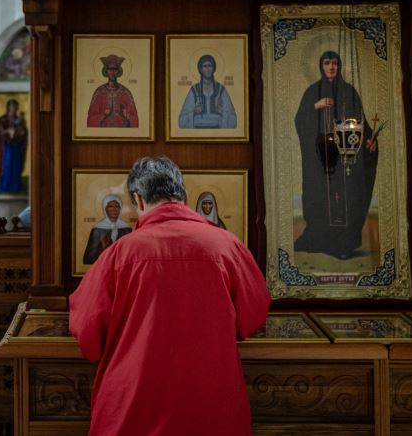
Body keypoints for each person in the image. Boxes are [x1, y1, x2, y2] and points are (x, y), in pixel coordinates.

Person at [69, 156, 270, 436]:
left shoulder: (118, 254)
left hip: (134, 405)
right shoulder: (228, 245)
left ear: (138, 200)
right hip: (211, 404)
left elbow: (89, 335)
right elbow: (253, 316)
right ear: (183, 196)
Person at [293, 50, 379, 259]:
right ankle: (320, 240)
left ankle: (344, 244)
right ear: (320, 66)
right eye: (326, 63)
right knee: (321, 196)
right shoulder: (312, 92)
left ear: (339, 66)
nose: (331, 67)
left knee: (345, 199)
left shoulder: (349, 92)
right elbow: (300, 120)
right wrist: (317, 105)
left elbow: (361, 124)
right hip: (321, 157)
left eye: (334, 63)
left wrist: (369, 141)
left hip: (344, 158)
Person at [178, 54, 237, 129]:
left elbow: (234, 122)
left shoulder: (221, 90)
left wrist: (222, 112)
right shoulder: (194, 90)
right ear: (200, 69)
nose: (207, 69)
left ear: (214, 69)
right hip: (198, 132)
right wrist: (194, 112)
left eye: (210, 66)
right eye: (204, 66)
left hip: (217, 132)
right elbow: (181, 122)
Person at [87, 54, 139, 128]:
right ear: (106, 71)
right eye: (110, 69)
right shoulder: (99, 92)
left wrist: (127, 116)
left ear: (118, 71)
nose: (113, 72)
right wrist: (103, 115)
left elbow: (135, 119)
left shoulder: (125, 93)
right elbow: (90, 119)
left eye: (115, 69)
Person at [83, 194, 132, 265]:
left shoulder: (127, 229)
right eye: (110, 206)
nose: (114, 209)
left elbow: (130, 252)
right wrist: (103, 248)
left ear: (120, 209)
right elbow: (89, 258)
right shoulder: (97, 229)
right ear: (105, 209)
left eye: (117, 206)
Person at [0, 99, 28, 193]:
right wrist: (8, 132)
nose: (13, 108)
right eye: (11, 106)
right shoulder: (3, 119)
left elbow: (24, 132)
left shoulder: (20, 119)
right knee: (7, 166)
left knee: (15, 167)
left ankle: (15, 187)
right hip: (7, 147)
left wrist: (21, 133)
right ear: (8, 107)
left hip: (16, 147)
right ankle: (5, 186)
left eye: (15, 106)